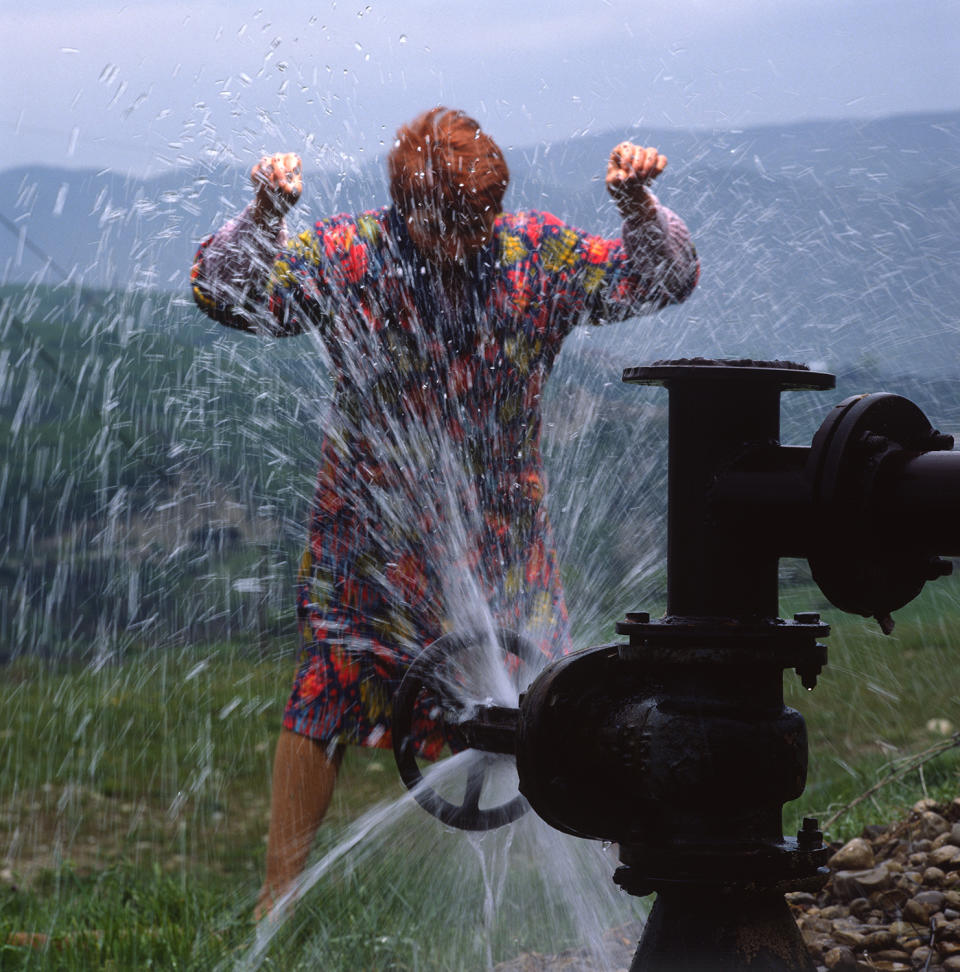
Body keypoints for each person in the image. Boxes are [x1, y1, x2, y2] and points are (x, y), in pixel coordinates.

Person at [190, 106, 699, 919]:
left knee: (561, 703)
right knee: (323, 697)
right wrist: (264, 216)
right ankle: (275, 904)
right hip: (367, 541)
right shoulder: (351, 256)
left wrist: (639, 207)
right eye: (453, 223)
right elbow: (223, 292)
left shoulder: (536, 254)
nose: (472, 237)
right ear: (408, 210)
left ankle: (632, 884)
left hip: (503, 544)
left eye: (482, 218)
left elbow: (665, 278)